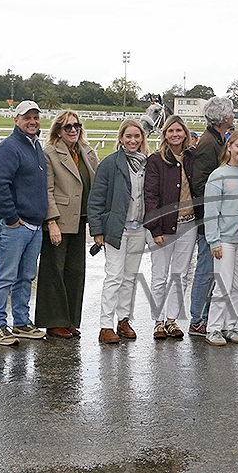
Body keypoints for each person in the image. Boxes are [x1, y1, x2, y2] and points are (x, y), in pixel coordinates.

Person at [0, 100, 48, 346]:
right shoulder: (6, 149)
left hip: (33, 225)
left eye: (35, 117)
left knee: (26, 277)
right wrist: (12, 218)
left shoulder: (36, 146)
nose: (32, 122)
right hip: (11, 225)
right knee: (5, 277)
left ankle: (21, 322)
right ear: (16, 120)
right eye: (27, 118)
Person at [35, 110, 99, 339]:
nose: (73, 130)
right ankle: (53, 322)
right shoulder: (50, 153)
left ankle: (70, 319)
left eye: (76, 125)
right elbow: (47, 190)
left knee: (75, 271)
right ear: (59, 131)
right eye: (67, 127)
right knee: (54, 271)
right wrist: (51, 222)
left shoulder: (87, 152)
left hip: (80, 219)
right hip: (59, 221)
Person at [88, 119, 150, 344]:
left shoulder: (147, 164)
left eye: (137, 136)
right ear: (121, 138)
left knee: (130, 278)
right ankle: (105, 325)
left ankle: (124, 320)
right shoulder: (110, 163)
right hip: (117, 229)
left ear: (142, 138)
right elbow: (96, 199)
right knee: (114, 276)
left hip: (139, 228)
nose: (133, 140)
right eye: (128, 136)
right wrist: (97, 230)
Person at [144, 115, 197, 340]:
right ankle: (158, 321)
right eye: (170, 131)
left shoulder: (192, 157)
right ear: (165, 134)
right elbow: (150, 196)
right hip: (163, 226)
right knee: (160, 275)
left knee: (180, 275)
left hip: (189, 224)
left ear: (185, 133)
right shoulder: (156, 160)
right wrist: (155, 229)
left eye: (179, 130)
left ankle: (172, 319)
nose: (175, 134)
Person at [189, 96, 235, 337]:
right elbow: (200, 184)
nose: (234, 115)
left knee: (213, 271)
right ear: (224, 117)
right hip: (209, 218)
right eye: (231, 112)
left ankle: (206, 316)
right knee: (206, 270)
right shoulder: (208, 144)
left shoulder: (218, 139)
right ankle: (197, 319)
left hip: (216, 217)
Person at [203, 129, 238, 346]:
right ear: (229, 147)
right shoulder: (218, 175)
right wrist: (214, 240)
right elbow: (211, 211)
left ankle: (230, 326)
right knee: (223, 285)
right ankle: (213, 328)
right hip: (224, 240)